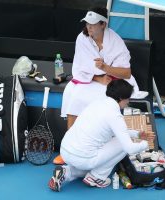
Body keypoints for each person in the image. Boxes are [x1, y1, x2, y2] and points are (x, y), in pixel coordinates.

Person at [53, 7, 147, 165]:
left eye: (93, 23)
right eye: (87, 23)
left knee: (105, 101)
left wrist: (106, 69)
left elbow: (126, 73)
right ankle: (70, 146)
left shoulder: (116, 41)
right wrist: (99, 76)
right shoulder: (81, 39)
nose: (89, 27)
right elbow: (80, 67)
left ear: (103, 24)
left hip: (115, 81)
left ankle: (104, 144)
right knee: (75, 96)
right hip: (92, 80)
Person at [48, 80, 149, 192]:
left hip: (66, 152)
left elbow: (116, 130)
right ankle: (97, 177)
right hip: (83, 158)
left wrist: (137, 134)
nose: (128, 102)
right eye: (128, 98)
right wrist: (145, 144)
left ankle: (67, 172)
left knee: (90, 159)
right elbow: (129, 148)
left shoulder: (96, 103)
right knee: (122, 144)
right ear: (121, 98)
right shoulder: (115, 115)